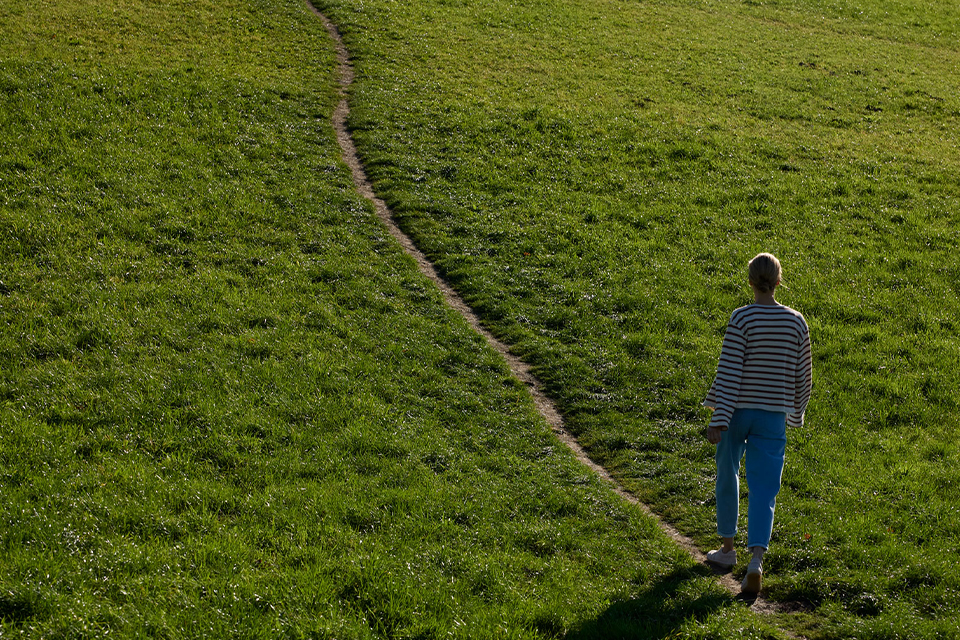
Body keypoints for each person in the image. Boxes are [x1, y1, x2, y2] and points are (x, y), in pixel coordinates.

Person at [702, 253, 812, 594]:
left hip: (736, 412)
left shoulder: (742, 319)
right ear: (779, 281)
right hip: (772, 417)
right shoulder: (796, 322)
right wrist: (794, 412)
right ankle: (756, 561)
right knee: (765, 488)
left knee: (728, 473)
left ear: (750, 281)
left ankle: (727, 550)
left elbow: (730, 370)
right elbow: (803, 377)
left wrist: (718, 416)